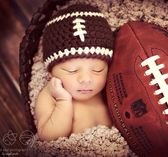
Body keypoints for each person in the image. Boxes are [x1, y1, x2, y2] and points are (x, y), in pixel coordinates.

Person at [35, 4, 114, 141]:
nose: (86, 79)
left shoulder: (108, 87)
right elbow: (48, 137)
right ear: (51, 73)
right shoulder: (50, 95)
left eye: (97, 70)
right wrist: (63, 101)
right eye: (72, 70)